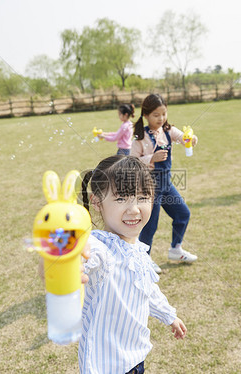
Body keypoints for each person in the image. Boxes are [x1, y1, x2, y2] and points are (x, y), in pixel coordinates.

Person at [79, 155, 187, 374]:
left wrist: (169, 315)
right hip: (106, 366)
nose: (134, 209)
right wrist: (70, 261)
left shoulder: (136, 246)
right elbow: (83, 254)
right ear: (97, 202)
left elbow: (146, 289)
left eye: (142, 197)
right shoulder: (101, 248)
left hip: (135, 358)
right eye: (121, 199)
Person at [130, 94, 198, 273]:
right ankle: (144, 259)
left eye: (163, 113)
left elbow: (183, 138)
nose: (161, 118)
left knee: (183, 214)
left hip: (166, 183)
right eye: (156, 115)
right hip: (149, 185)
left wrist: (190, 138)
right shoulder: (140, 137)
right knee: (150, 225)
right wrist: (150, 158)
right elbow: (131, 161)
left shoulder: (168, 131)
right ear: (146, 115)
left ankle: (176, 249)